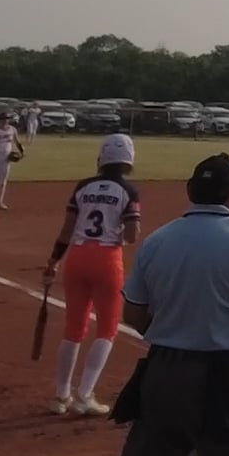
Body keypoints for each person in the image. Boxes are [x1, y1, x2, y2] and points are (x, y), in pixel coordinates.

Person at [114, 154, 229, 456]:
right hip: (222, 377)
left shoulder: (157, 240)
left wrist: (174, 332)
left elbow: (134, 314)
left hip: (163, 372)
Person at [43, 133, 141, 416]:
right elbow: (132, 235)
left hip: (76, 256)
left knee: (73, 328)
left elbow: (66, 230)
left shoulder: (83, 187)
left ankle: (61, 395)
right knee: (107, 328)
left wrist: (52, 262)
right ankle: (85, 395)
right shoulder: (128, 191)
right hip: (107, 259)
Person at [0, 110, 25, 212]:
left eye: (6, 119)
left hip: (6, 158)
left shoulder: (12, 130)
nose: (4, 121)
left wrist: (22, 152)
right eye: (2, 119)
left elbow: (17, 142)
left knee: (3, 181)